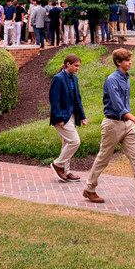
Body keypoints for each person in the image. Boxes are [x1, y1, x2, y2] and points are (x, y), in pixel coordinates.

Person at [83, 48, 135, 208]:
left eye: (130, 59)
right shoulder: (112, 80)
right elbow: (118, 105)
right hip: (113, 124)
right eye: (127, 60)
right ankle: (89, 189)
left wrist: (131, 122)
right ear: (118, 62)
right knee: (103, 158)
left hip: (127, 125)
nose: (130, 62)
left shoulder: (126, 77)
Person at [49, 54, 87, 182]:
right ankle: (57, 164)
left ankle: (66, 171)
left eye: (79, 66)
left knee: (66, 143)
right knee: (75, 141)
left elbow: (78, 99)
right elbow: (54, 101)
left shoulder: (74, 78)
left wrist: (82, 116)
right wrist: (59, 118)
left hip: (73, 116)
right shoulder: (58, 79)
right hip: (61, 118)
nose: (78, 68)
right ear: (68, 64)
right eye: (76, 65)